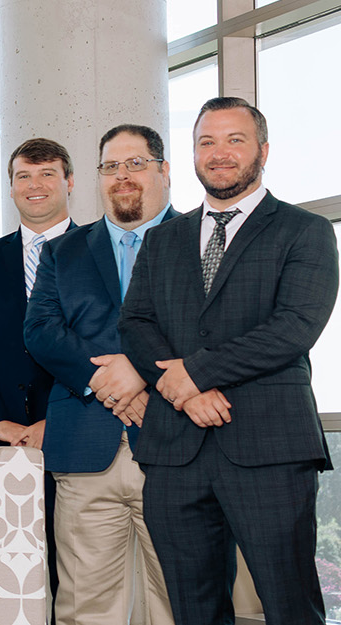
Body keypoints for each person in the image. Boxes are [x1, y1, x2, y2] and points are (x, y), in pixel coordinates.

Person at [122, 97, 338, 625]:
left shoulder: (304, 231)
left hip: (269, 450)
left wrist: (194, 373)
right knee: (194, 611)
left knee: (290, 607)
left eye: (234, 140)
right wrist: (186, 391)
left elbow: (294, 328)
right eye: (206, 142)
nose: (219, 153)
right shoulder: (161, 239)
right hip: (176, 452)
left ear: (263, 151)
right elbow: (135, 324)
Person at [23, 124, 180, 625]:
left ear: (163, 171)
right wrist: (106, 384)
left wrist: (138, 373)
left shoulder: (198, 239)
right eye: (111, 166)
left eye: (135, 163)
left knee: (176, 601)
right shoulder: (62, 251)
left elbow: (212, 329)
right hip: (85, 448)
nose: (122, 176)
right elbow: (41, 331)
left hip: (177, 445)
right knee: (85, 607)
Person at [0, 138, 71, 447]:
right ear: (10, 188)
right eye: (23, 176)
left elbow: (102, 346)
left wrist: (61, 418)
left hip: (78, 433)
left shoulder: (97, 253)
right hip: (0, 438)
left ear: (69, 182)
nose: (34, 184)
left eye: (47, 173)